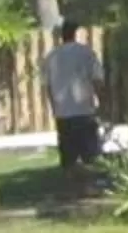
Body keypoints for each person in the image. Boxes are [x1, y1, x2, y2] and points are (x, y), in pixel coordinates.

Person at [43, 20, 105, 182]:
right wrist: (102, 102)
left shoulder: (52, 57)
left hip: (63, 112)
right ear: (76, 33)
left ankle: (71, 188)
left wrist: (54, 107)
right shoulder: (86, 53)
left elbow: (48, 86)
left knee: (68, 156)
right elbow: (97, 80)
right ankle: (92, 186)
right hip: (84, 110)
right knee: (90, 154)